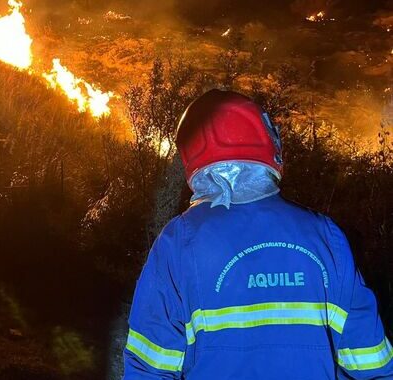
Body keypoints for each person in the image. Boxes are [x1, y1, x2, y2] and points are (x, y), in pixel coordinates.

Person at [122, 89, 393, 379]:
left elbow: (148, 368)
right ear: (267, 141)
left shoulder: (177, 242)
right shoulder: (326, 237)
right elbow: (373, 365)